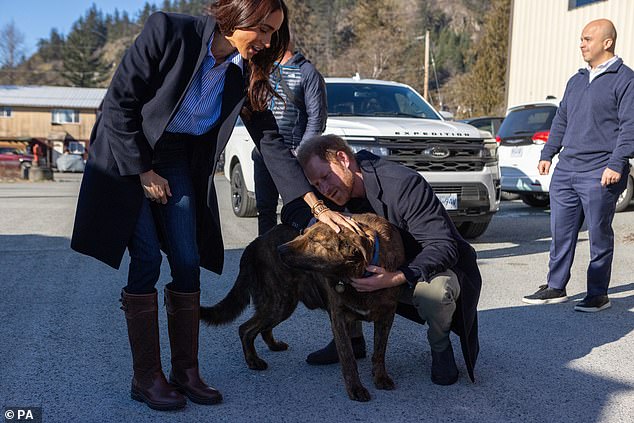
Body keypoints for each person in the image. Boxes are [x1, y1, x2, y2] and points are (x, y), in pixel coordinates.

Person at [71, 0, 354, 412]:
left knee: (187, 259)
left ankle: (186, 372)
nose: (267, 41)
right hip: (126, 154)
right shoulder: (168, 31)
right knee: (148, 258)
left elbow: (271, 142)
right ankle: (146, 377)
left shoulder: (246, 72)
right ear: (238, 17)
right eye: (263, 29)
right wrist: (143, 172)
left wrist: (313, 204)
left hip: (176, 158)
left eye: (274, 32)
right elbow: (118, 105)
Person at [292, 134, 482, 386]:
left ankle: (440, 344)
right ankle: (351, 338)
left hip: (420, 268)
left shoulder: (403, 185)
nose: (324, 189)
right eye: (316, 184)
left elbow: (443, 246)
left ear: (343, 159)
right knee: (322, 259)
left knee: (435, 292)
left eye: (326, 177)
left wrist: (394, 278)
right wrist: (316, 215)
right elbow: (292, 210)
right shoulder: (325, 198)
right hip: (374, 273)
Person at [522, 19, 634, 312]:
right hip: (567, 169)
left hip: (600, 171)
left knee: (598, 234)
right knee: (560, 232)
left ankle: (598, 293)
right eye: (581, 39)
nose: (581, 44)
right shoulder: (576, 79)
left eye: (587, 39)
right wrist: (548, 153)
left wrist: (616, 163)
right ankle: (556, 286)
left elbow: (629, 127)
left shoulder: (625, 79)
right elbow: (561, 119)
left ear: (607, 43)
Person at [251, 39, 327, 235]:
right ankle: (264, 260)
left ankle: (299, 259)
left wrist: (300, 154)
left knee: (299, 212)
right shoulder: (262, 70)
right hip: (264, 154)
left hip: (295, 156)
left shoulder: (307, 72)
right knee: (265, 210)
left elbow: (316, 119)